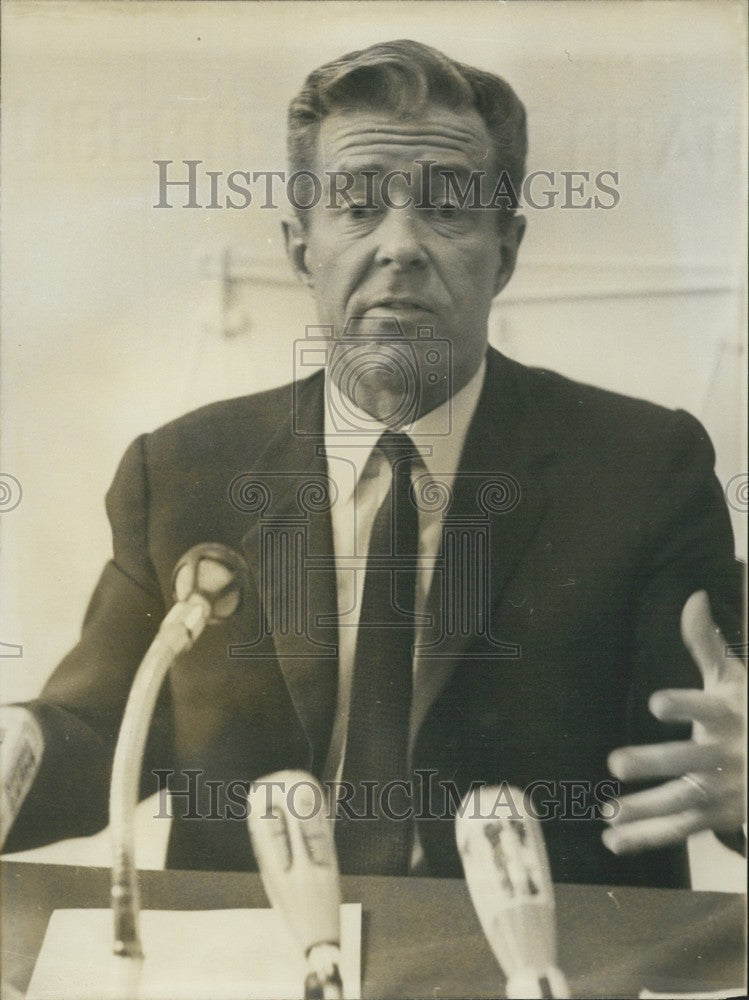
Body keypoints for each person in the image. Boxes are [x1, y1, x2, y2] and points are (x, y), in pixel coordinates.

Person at [2, 40, 744, 886]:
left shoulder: (643, 468)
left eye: (448, 208)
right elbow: (99, 731)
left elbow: (711, 739)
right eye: (356, 207)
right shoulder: (179, 471)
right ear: (298, 248)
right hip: (253, 961)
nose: (400, 245)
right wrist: (18, 746)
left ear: (505, 250)